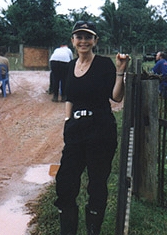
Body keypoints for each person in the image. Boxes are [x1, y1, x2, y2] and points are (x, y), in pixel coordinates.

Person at [54, 20, 130, 235]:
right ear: (73, 40)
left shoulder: (104, 64)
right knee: (66, 182)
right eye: (79, 37)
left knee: (96, 183)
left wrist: (120, 72)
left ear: (95, 40)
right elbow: (70, 96)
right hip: (76, 131)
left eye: (88, 37)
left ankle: (92, 230)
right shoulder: (70, 66)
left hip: (100, 130)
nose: (83, 41)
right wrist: (68, 122)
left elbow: (116, 97)